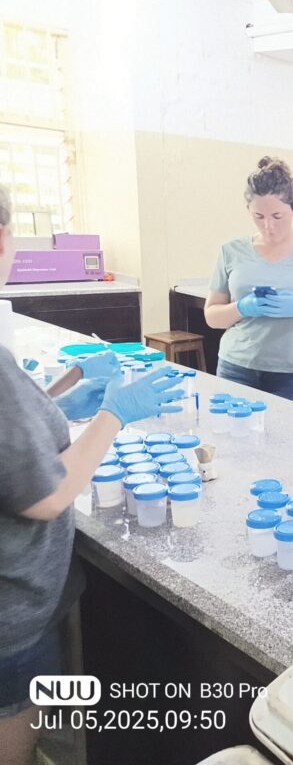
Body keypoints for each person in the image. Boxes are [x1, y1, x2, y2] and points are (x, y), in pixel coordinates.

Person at [0, 185, 184, 765]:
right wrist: (112, 415)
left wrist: (60, 397)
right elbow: (48, 494)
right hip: (10, 624)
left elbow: (9, 438)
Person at [204, 157, 293, 403]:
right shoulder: (230, 252)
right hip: (237, 368)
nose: (268, 225)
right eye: (258, 216)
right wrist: (241, 307)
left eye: (277, 216)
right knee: (233, 429)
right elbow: (212, 317)